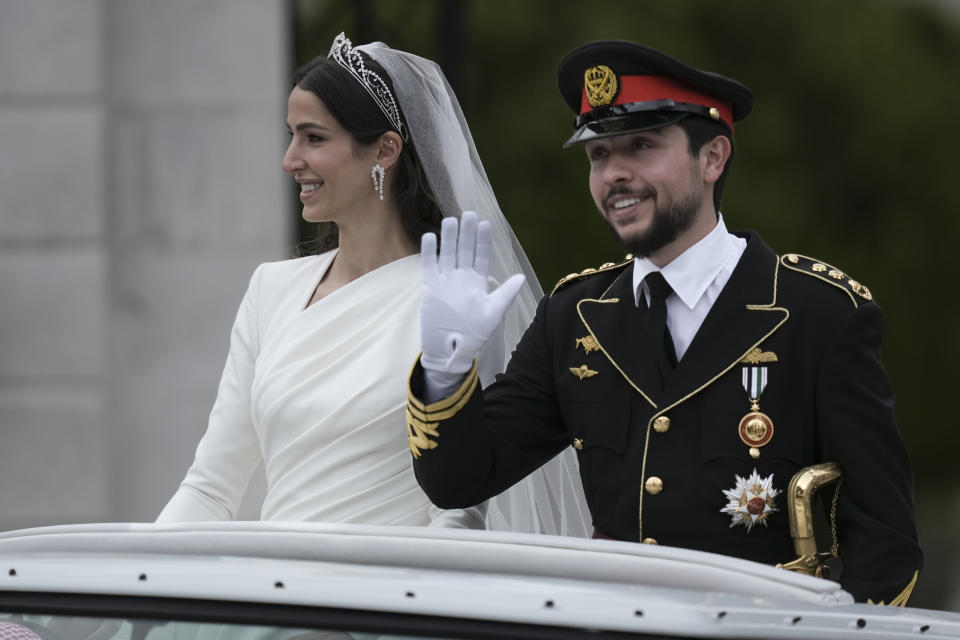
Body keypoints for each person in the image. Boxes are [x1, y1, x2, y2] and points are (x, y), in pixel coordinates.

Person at [406, 39, 922, 603]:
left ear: (713, 158)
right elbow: (461, 480)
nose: (614, 175)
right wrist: (446, 371)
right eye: (599, 155)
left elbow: (885, 546)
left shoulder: (816, 313)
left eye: (641, 146)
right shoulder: (575, 315)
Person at [158, 33, 590, 536]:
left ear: (384, 150)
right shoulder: (270, 289)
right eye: (291, 135)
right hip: (270, 593)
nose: (289, 159)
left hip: (386, 598)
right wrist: (133, 591)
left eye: (313, 138)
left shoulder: (459, 296)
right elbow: (209, 488)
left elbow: (459, 509)